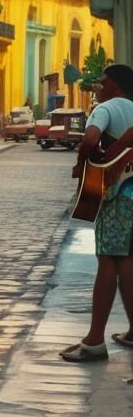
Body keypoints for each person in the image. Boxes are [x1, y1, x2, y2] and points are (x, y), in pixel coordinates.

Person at [60, 63, 133, 363]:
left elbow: (90, 139)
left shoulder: (104, 109)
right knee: (127, 258)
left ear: (114, 84)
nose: (99, 89)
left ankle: (94, 341)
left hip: (115, 196)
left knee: (107, 260)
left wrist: (83, 161)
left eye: (102, 83)